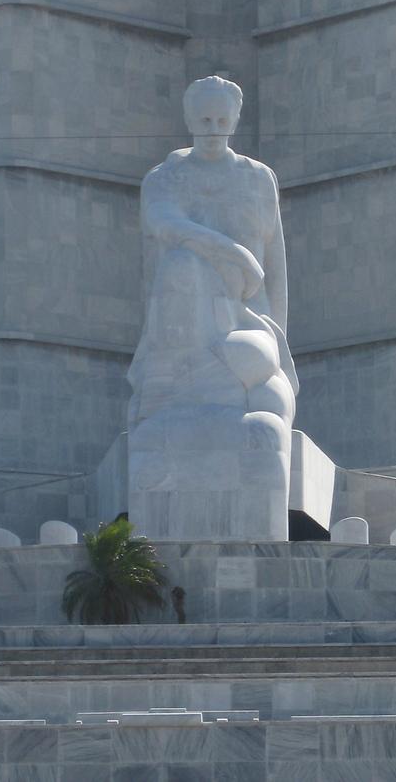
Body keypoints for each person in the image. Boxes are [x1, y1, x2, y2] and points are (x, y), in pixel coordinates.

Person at [127, 76, 298, 541]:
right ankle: (163, 385)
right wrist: (233, 252)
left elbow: (276, 267)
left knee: (256, 380)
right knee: (183, 263)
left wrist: (279, 348)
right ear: (188, 119)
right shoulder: (165, 178)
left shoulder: (258, 178)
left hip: (246, 320)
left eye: (223, 120)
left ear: (236, 119)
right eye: (204, 120)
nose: (214, 128)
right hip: (182, 323)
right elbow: (164, 225)